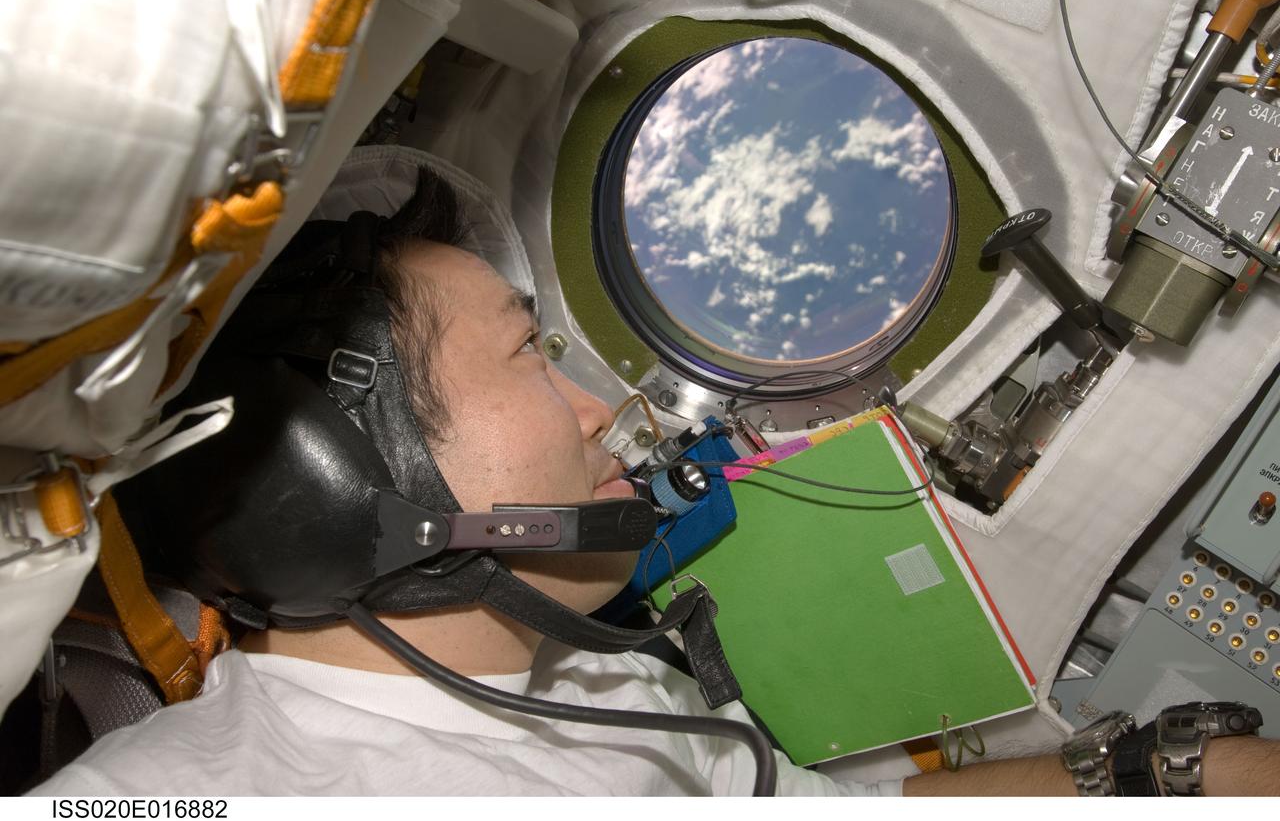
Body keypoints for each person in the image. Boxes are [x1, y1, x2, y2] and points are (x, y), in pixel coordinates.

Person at [28, 167, 1280, 798]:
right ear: (339, 474)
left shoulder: (597, 676)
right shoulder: (178, 798)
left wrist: (1149, 772)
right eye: (529, 351)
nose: (594, 410)